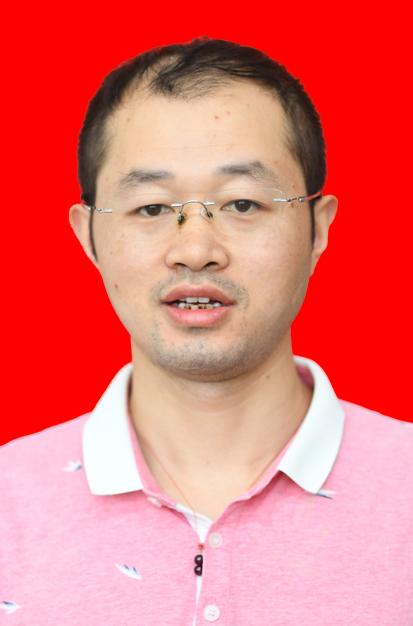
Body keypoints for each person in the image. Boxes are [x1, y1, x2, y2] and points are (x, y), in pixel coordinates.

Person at [1, 37, 412, 626]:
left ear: (317, 229)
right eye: (151, 208)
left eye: (242, 204)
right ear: (87, 235)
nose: (195, 250)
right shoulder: (8, 504)